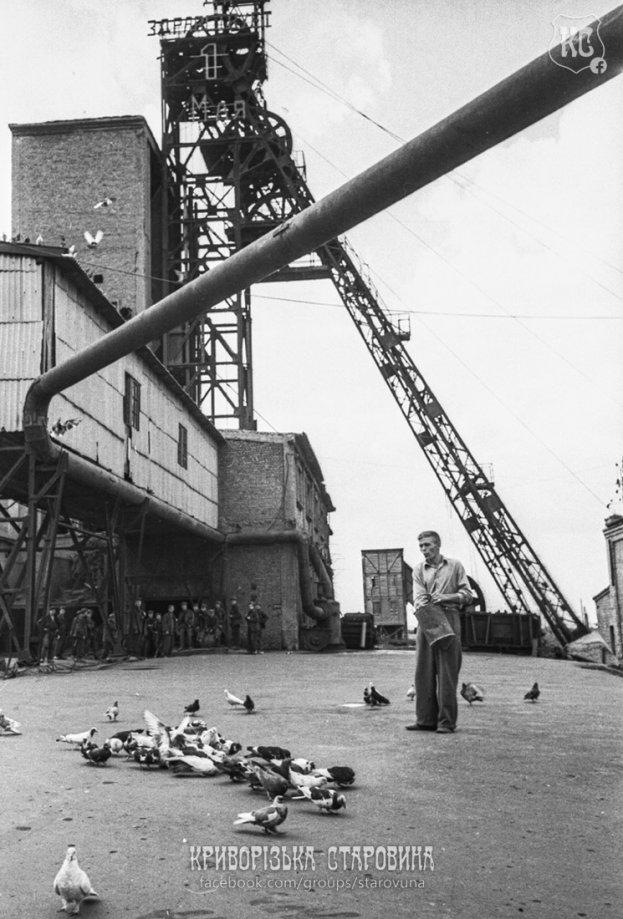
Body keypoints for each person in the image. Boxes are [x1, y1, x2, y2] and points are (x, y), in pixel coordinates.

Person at [407, 530, 472, 734]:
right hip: (426, 618)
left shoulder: (455, 566)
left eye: (427, 545)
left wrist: (446, 597)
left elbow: (467, 594)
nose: (424, 549)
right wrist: (426, 607)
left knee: (447, 673)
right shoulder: (418, 570)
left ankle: (446, 722)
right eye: (421, 546)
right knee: (423, 672)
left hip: (450, 617)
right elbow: (418, 597)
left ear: (438, 544)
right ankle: (425, 720)